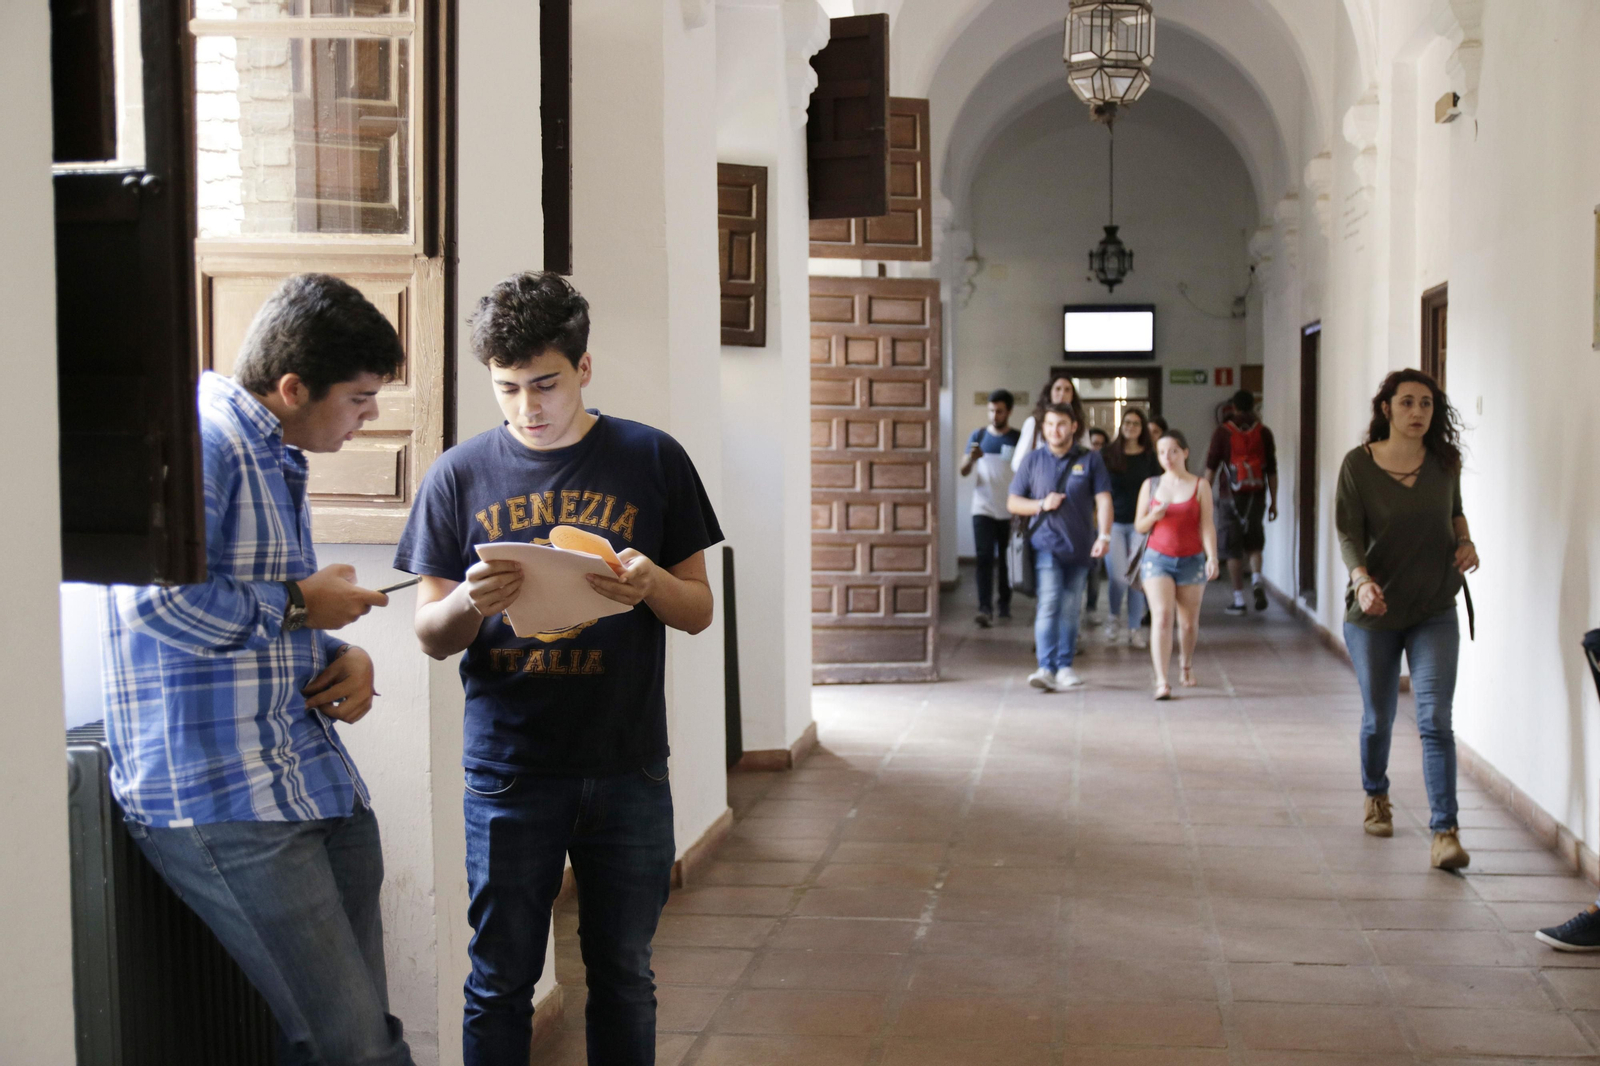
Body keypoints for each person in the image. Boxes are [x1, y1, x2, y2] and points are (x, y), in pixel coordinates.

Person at [395, 272, 723, 1066]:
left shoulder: (651, 458)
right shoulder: (459, 475)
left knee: (622, 973)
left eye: (544, 384)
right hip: (510, 769)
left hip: (627, 764)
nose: (526, 408)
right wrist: (472, 603)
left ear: (583, 368)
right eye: (506, 389)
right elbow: (432, 637)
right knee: (500, 978)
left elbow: (698, 609)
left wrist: (652, 587)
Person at [100, 274, 412, 1066]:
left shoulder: (271, 448)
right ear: (293, 386)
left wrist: (342, 653)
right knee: (356, 1050)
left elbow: (263, 610)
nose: (371, 416)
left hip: (306, 778)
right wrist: (303, 607)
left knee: (361, 1040)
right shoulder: (204, 439)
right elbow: (153, 604)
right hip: (223, 796)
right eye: (360, 397)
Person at [1335, 369, 1477, 872]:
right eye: (1408, 403)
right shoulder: (1358, 464)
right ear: (1387, 409)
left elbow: (1454, 511)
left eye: (1427, 404)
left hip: (1435, 607)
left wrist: (1465, 541)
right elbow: (1348, 531)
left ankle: (1445, 832)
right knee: (1379, 719)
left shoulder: (1444, 463)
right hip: (1374, 612)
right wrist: (1361, 580)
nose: (1418, 412)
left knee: (1435, 718)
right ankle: (1376, 793)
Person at [1008, 403, 1112, 691]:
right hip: (1046, 545)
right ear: (1043, 428)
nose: (1055, 430)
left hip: (1081, 546)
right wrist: (1041, 504)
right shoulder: (1032, 461)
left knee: (1070, 608)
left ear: (1074, 426)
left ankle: (1065, 666)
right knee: (1050, 601)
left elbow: (1104, 500)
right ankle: (1045, 667)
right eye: (1050, 424)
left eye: (1062, 424)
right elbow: (1013, 502)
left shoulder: (1091, 460)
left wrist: (1104, 536)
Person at [1134, 430, 1219, 699]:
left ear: (1185, 452)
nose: (1167, 457)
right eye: (1161, 453)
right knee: (1162, 617)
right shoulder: (1151, 485)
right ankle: (1161, 680)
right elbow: (1139, 526)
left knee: (1188, 624)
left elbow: (1206, 525)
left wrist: (1212, 556)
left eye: (1172, 451)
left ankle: (1185, 665)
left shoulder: (1200, 485)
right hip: (1157, 559)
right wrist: (1154, 516)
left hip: (1191, 559)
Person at [1205, 389, 1278, 615]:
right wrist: (1273, 501)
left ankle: (1238, 600)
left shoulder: (1222, 432)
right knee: (1254, 543)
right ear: (1253, 407)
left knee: (1232, 550)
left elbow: (1211, 469)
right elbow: (1272, 471)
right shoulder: (1264, 432)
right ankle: (1256, 579)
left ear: (1233, 407)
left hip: (1230, 498)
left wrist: (1203, 499)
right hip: (1256, 496)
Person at [961, 389, 1022, 627]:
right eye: (991, 410)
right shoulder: (978, 435)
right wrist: (971, 458)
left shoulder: (1017, 438)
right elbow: (963, 470)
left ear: (1009, 412)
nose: (994, 415)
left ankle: (1004, 603)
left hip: (1009, 508)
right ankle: (984, 608)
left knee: (1006, 560)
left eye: (999, 411)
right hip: (982, 507)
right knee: (984, 557)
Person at [1102, 408, 1161, 648]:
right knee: (1118, 577)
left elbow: (1158, 489)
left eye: (1136, 423)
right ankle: (1114, 617)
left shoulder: (1150, 457)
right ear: (1121, 426)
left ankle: (1135, 629)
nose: (1131, 427)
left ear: (1142, 428)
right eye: (1127, 422)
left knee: (1137, 577)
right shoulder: (1108, 454)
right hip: (1113, 523)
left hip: (1141, 524)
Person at [1012, 372, 1089, 472]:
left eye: (1067, 390)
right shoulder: (1034, 422)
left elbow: (1088, 458)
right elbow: (1018, 463)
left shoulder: (1078, 424)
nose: (1062, 394)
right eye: (1058, 389)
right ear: (1050, 393)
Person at [1082, 426, 1111, 622]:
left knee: (1094, 571)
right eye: (1094, 443)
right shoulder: (1080, 465)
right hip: (1079, 524)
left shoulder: (1106, 468)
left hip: (1097, 524)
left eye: (1101, 445)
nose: (1097, 448)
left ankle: (1091, 608)